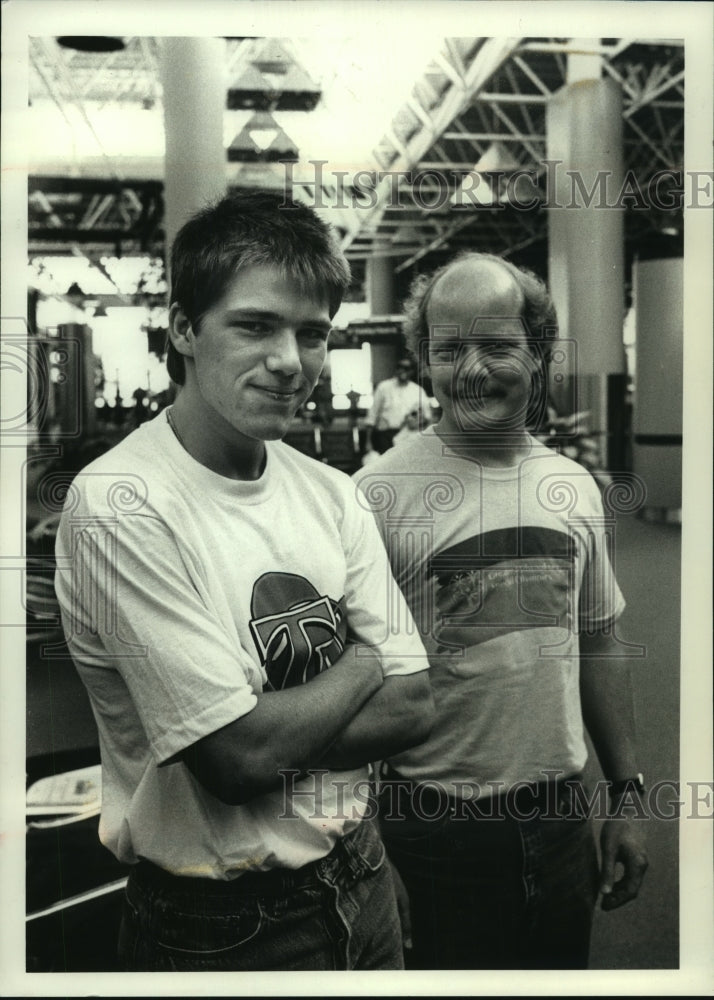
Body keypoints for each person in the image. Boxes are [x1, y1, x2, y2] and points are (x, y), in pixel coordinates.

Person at [54, 191, 434, 972]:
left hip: (358, 867)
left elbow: (416, 705)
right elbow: (236, 762)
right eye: (256, 325)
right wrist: (363, 662)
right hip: (221, 925)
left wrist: (281, 723)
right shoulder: (121, 505)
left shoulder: (331, 490)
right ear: (185, 329)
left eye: (312, 334)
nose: (292, 361)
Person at [353, 252, 648, 970]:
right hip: (430, 831)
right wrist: (366, 852)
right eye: (450, 348)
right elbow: (346, 685)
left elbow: (599, 641)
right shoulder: (375, 496)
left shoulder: (572, 486)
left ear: (538, 352)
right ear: (423, 359)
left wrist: (628, 792)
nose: (473, 368)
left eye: (497, 345)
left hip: (560, 822)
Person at [364, 357, 431, 455]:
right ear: (396, 369)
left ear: (412, 371)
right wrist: (368, 442)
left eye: (406, 368)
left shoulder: (418, 391)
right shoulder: (383, 387)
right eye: (400, 367)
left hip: (408, 435)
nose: (402, 371)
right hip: (385, 435)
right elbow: (372, 415)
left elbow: (427, 417)